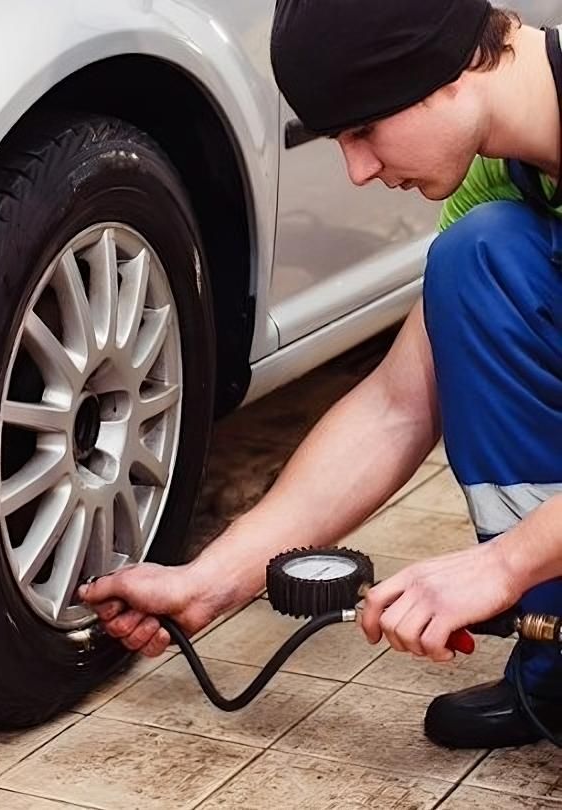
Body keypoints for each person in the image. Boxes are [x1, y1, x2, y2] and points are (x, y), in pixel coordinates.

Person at [79, 0, 562, 750]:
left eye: (363, 130)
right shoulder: (499, 175)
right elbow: (397, 407)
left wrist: (502, 566)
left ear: (449, 70)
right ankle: (555, 654)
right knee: (477, 263)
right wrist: (209, 580)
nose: (359, 171)